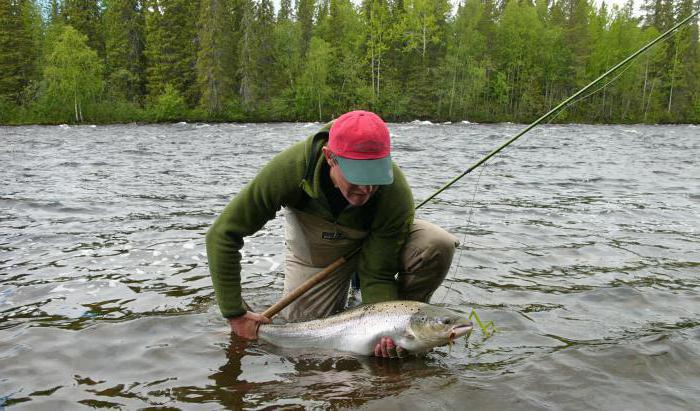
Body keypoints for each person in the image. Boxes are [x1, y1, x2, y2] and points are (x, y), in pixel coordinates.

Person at [206, 110, 458, 358]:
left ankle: (415, 326)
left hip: (373, 245)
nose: (366, 188)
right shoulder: (291, 169)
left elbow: (377, 272)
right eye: (357, 177)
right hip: (317, 247)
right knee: (307, 346)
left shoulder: (395, 192)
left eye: (375, 177)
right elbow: (223, 234)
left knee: (436, 243)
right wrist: (235, 313)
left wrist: (387, 333)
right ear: (330, 157)